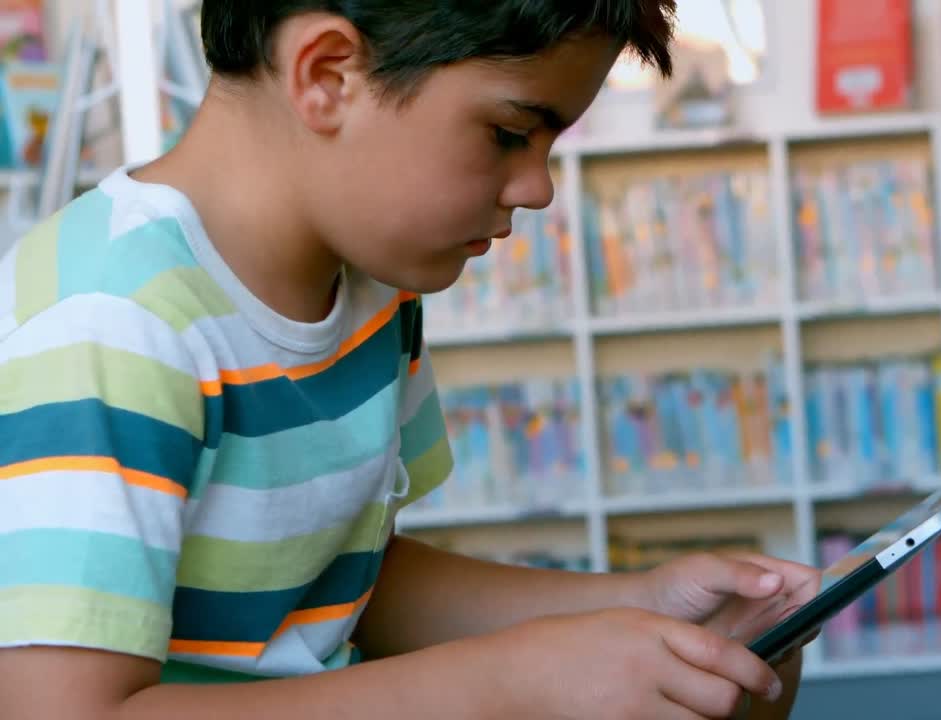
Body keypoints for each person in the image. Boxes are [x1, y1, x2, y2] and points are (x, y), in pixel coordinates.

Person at [0, 2, 823, 718]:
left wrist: (641, 611)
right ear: (327, 75)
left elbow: (343, 587)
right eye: (509, 133)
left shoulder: (371, 288)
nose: (537, 188)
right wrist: (509, 687)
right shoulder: (107, 323)